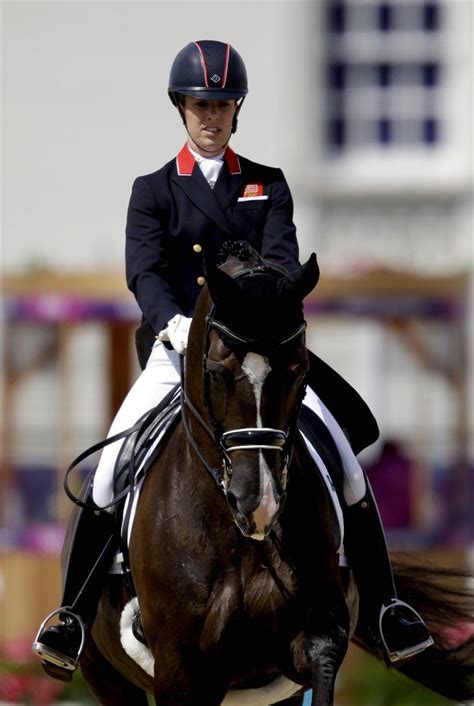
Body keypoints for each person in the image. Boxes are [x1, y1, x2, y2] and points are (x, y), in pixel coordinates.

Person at [32, 40, 432, 681]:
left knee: (347, 469)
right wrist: (174, 324)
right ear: (182, 109)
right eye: (200, 105)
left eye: (221, 105)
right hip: (179, 352)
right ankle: (73, 617)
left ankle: (387, 608)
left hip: (262, 354)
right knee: (108, 471)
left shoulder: (266, 185)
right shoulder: (154, 190)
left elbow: (280, 259)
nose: (211, 117)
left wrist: (258, 317)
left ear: (235, 110)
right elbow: (145, 270)